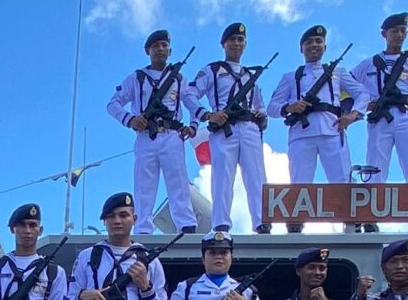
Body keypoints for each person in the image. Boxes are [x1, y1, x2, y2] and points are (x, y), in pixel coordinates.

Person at [108, 27, 198, 231]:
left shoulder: (178, 78)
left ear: (170, 51)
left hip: (172, 134)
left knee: (178, 181)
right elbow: (113, 104)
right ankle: (142, 228)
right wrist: (130, 119)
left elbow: (193, 103)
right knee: (144, 185)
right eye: (155, 46)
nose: (160, 49)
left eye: (164, 45)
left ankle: (186, 224)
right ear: (147, 50)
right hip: (146, 135)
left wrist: (193, 126)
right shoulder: (137, 78)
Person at [192, 22, 272, 232]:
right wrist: (207, 115)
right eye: (232, 40)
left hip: (249, 127)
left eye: (240, 40)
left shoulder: (249, 76)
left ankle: (262, 222)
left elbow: (260, 105)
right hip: (224, 128)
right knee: (222, 177)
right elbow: (189, 94)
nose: (236, 43)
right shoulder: (212, 70)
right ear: (224, 44)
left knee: (256, 176)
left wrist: (260, 115)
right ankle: (221, 223)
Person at [69, 192, 170, 300]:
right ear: (104, 221)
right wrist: (82, 297)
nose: (117, 221)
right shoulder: (87, 256)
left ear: (134, 219)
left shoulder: (150, 261)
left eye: (123, 215)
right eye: (110, 216)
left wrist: (146, 287)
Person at [346, 13, 408, 185]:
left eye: (403, 31)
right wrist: (357, 110)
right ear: (384, 34)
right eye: (394, 31)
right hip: (380, 116)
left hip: (407, 115)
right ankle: (370, 207)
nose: (399, 35)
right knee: (374, 168)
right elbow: (345, 88)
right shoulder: (369, 63)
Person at [271, 24, 355, 191]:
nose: (314, 45)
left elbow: (362, 93)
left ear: (325, 46)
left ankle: (348, 218)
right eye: (309, 42)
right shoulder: (290, 77)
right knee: (299, 188)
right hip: (301, 134)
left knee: (343, 185)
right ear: (301, 48)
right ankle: (297, 218)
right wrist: (289, 107)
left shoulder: (338, 73)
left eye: (318, 41)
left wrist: (352, 115)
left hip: (332, 130)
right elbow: (272, 108)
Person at [162, 229, 265, 300]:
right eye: (212, 252)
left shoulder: (247, 290)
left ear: (232, 257)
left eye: (224, 252)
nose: (218, 257)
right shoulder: (186, 287)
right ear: (203, 258)